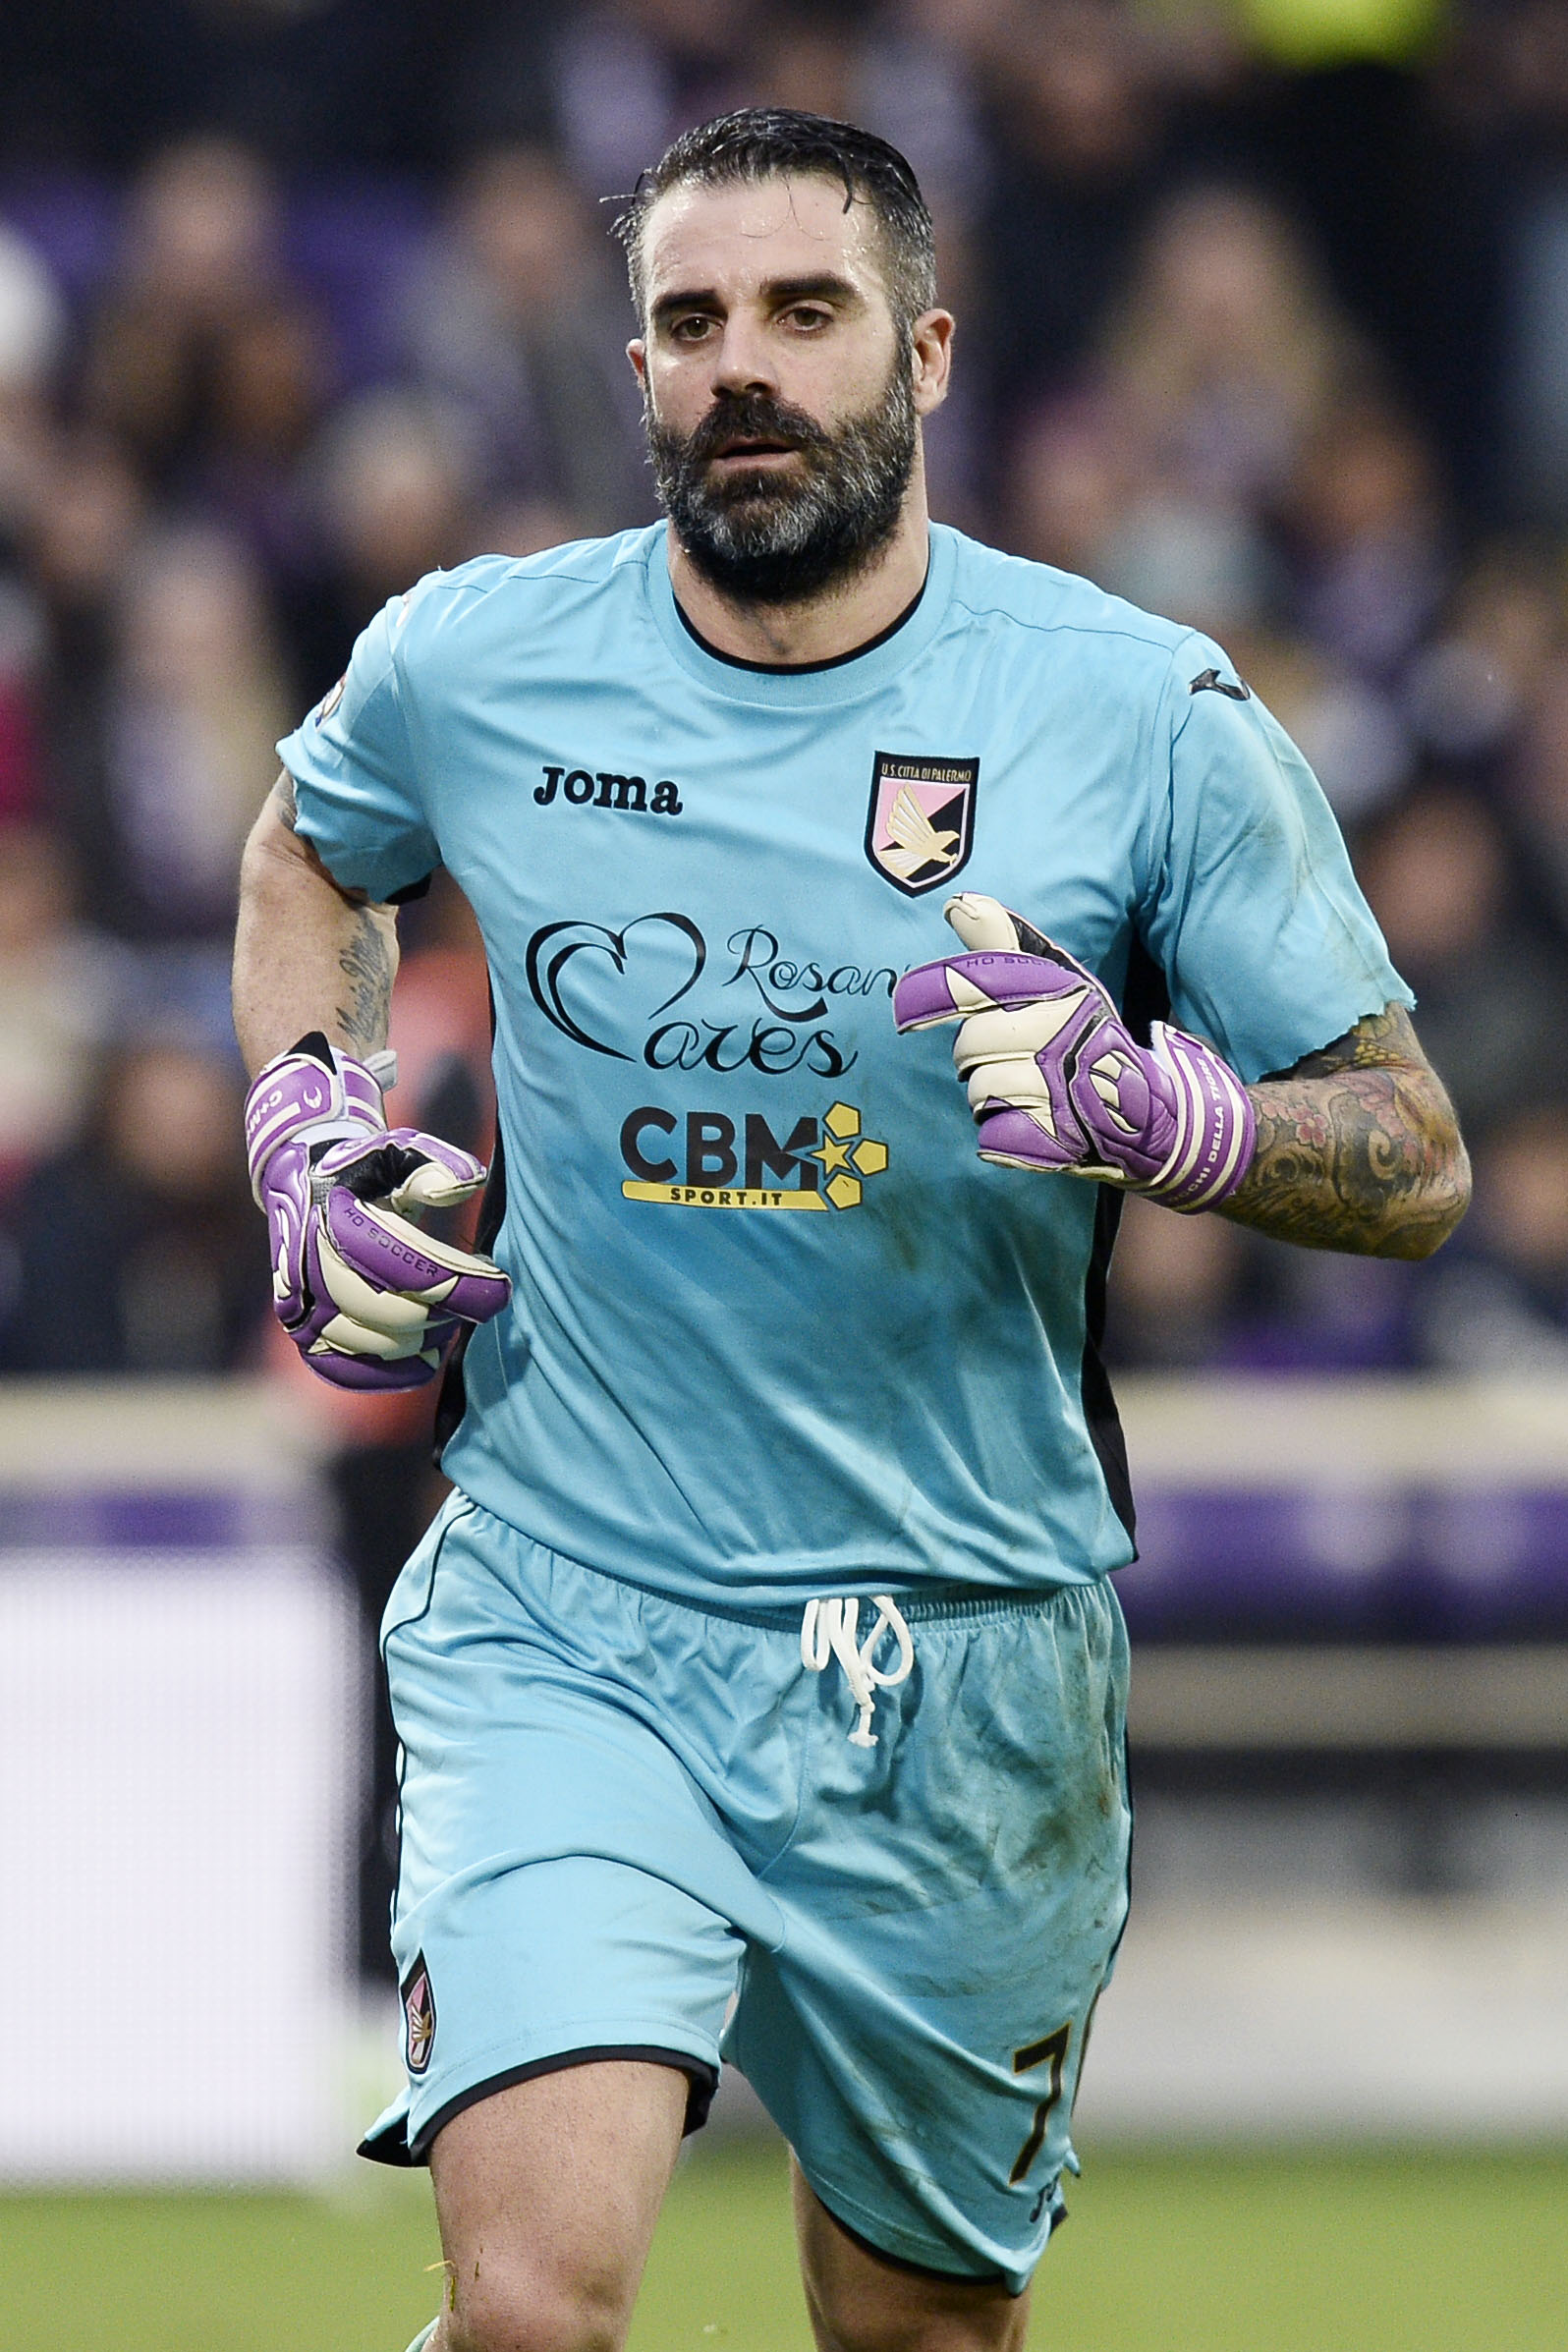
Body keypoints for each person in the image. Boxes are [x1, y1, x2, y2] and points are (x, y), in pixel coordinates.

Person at [231, 110, 1469, 2352]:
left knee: (915, 2333)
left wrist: (1168, 1113)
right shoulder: (473, 662)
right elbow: (312, 851)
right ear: (635, 369)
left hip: (972, 1649)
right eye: (692, 321)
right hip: (574, 1599)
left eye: (805, 312)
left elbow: (1412, 1147)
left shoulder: (1142, 710)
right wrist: (308, 1128)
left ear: (928, 351)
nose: (745, 365)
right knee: (532, 2311)